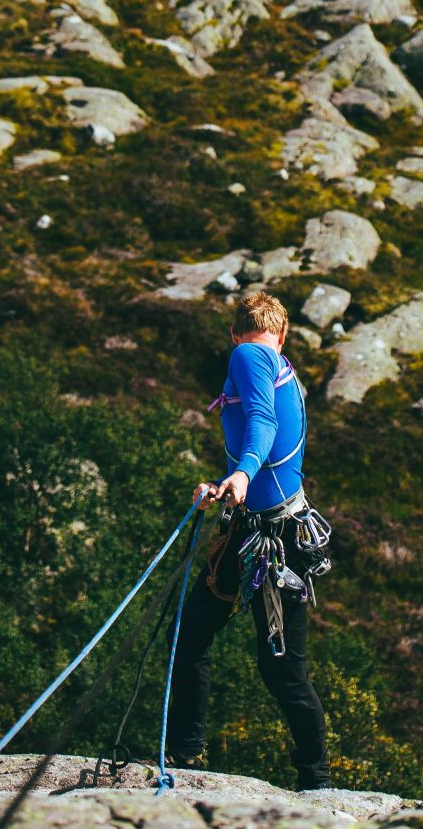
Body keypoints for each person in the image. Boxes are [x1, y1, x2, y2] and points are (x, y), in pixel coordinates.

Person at [165, 292, 332, 792]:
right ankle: (185, 749)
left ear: (236, 333)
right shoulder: (280, 363)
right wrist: (225, 482)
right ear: (284, 335)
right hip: (262, 525)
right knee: (195, 632)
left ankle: (316, 782)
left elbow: (263, 422)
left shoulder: (246, 355)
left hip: (272, 540)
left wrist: (240, 473)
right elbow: (269, 441)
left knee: (279, 669)